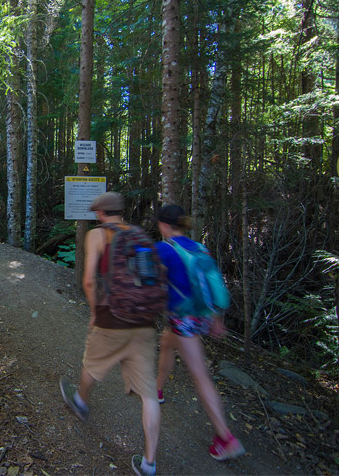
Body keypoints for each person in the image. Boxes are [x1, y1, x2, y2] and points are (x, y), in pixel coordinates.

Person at [60, 191, 160, 476]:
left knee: (93, 363)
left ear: (101, 213)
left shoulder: (98, 236)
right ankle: (149, 464)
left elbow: (90, 280)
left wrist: (94, 313)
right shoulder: (140, 234)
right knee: (149, 395)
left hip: (113, 317)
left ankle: (80, 402)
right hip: (144, 321)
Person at [154, 204, 245, 461]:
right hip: (203, 316)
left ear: (163, 225)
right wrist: (216, 318)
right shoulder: (199, 248)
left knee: (200, 375)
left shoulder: (166, 249)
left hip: (184, 319)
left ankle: (225, 437)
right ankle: (157, 389)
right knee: (166, 342)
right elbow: (213, 283)